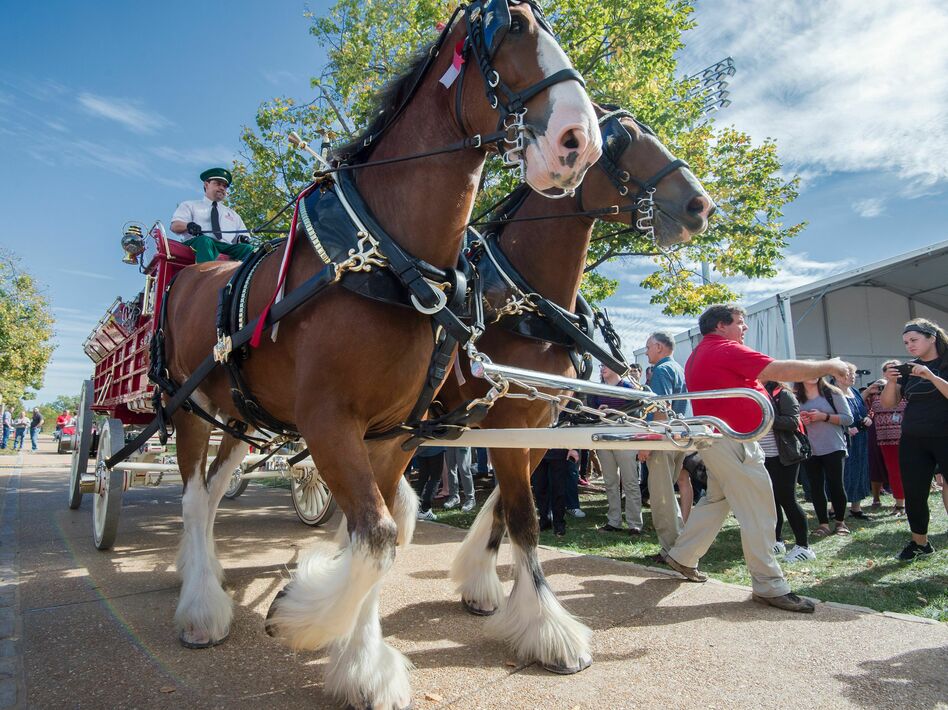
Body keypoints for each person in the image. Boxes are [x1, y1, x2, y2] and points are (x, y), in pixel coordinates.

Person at [664, 303, 849, 614]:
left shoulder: (704, 351)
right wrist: (827, 365)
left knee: (716, 501)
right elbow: (778, 370)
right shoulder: (724, 349)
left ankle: (682, 556)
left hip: (721, 438)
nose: (744, 328)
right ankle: (769, 585)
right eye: (739, 322)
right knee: (760, 510)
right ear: (720, 326)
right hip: (733, 439)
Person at [882, 318, 948, 561]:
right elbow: (890, 403)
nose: (909, 346)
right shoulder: (909, 369)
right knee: (914, 492)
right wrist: (891, 382)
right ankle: (920, 543)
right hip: (913, 438)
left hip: (945, 435)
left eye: (914, 340)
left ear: (931, 337)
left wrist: (931, 376)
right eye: (906, 342)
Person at [638, 331, 687, 556]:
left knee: (661, 498)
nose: (646, 351)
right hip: (676, 438)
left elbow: (660, 409)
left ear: (659, 347)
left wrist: (648, 443)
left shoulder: (661, 370)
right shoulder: (677, 368)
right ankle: (678, 544)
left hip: (662, 440)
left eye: (648, 347)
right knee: (669, 494)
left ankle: (671, 551)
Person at [761, 380, 815, 563]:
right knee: (770, 500)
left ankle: (803, 547)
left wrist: (763, 418)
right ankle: (777, 541)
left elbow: (793, 422)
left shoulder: (783, 394)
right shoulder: (755, 392)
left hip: (784, 455)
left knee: (787, 499)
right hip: (763, 456)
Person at [795, 373, 854, 537]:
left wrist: (823, 416)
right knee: (816, 487)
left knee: (836, 484)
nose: (813, 374)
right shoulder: (795, 396)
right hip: (809, 448)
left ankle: (840, 522)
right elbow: (792, 421)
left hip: (833, 446)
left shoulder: (833, 392)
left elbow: (848, 419)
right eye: (809, 371)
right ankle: (823, 524)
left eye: (817, 371)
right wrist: (801, 420)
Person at [591, 364, 643, 535]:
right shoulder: (598, 389)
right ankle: (614, 521)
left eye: (605, 365)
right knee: (610, 482)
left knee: (630, 482)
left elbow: (637, 414)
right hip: (605, 440)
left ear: (616, 368)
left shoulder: (628, 388)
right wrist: (597, 412)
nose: (602, 368)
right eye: (601, 365)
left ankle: (634, 523)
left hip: (625, 440)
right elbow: (591, 413)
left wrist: (616, 413)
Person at [170, 168, 254, 263]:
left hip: (225, 246)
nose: (222, 188)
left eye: (225, 186)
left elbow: (243, 237)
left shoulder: (233, 215)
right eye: (218, 184)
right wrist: (189, 225)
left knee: (248, 248)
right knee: (205, 241)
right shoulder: (190, 205)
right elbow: (175, 226)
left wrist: (243, 238)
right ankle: (204, 276)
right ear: (206, 185)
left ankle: (244, 277)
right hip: (198, 243)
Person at [869, 363, 907, 515]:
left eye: (897, 367)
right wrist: (868, 391)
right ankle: (900, 504)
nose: (894, 370)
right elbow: (866, 409)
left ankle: (914, 502)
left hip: (909, 437)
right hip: (886, 438)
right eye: (890, 368)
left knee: (912, 471)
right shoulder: (877, 391)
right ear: (884, 373)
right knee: (894, 471)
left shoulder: (908, 388)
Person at [838, 367, 872, 519]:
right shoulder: (833, 393)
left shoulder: (855, 392)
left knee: (859, 470)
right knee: (843, 472)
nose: (853, 377)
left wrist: (868, 419)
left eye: (854, 374)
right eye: (849, 374)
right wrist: (846, 427)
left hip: (860, 438)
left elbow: (863, 412)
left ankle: (856, 508)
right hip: (843, 438)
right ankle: (835, 508)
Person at [532, 447, 579, 536]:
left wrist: (573, 448)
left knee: (559, 489)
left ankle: (559, 523)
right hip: (537, 451)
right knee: (539, 488)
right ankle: (544, 520)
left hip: (560, 450)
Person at [414, 446, 446, 521]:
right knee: (435, 478)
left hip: (421, 451)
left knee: (422, 478)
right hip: (435, 449)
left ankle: (415, 508)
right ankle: (425, 510)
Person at [443, 447, 476, 512]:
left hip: (462, 441)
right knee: (450, 470)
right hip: (449, 441)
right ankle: (454, 497)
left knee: (464, 470)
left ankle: (470, 499)